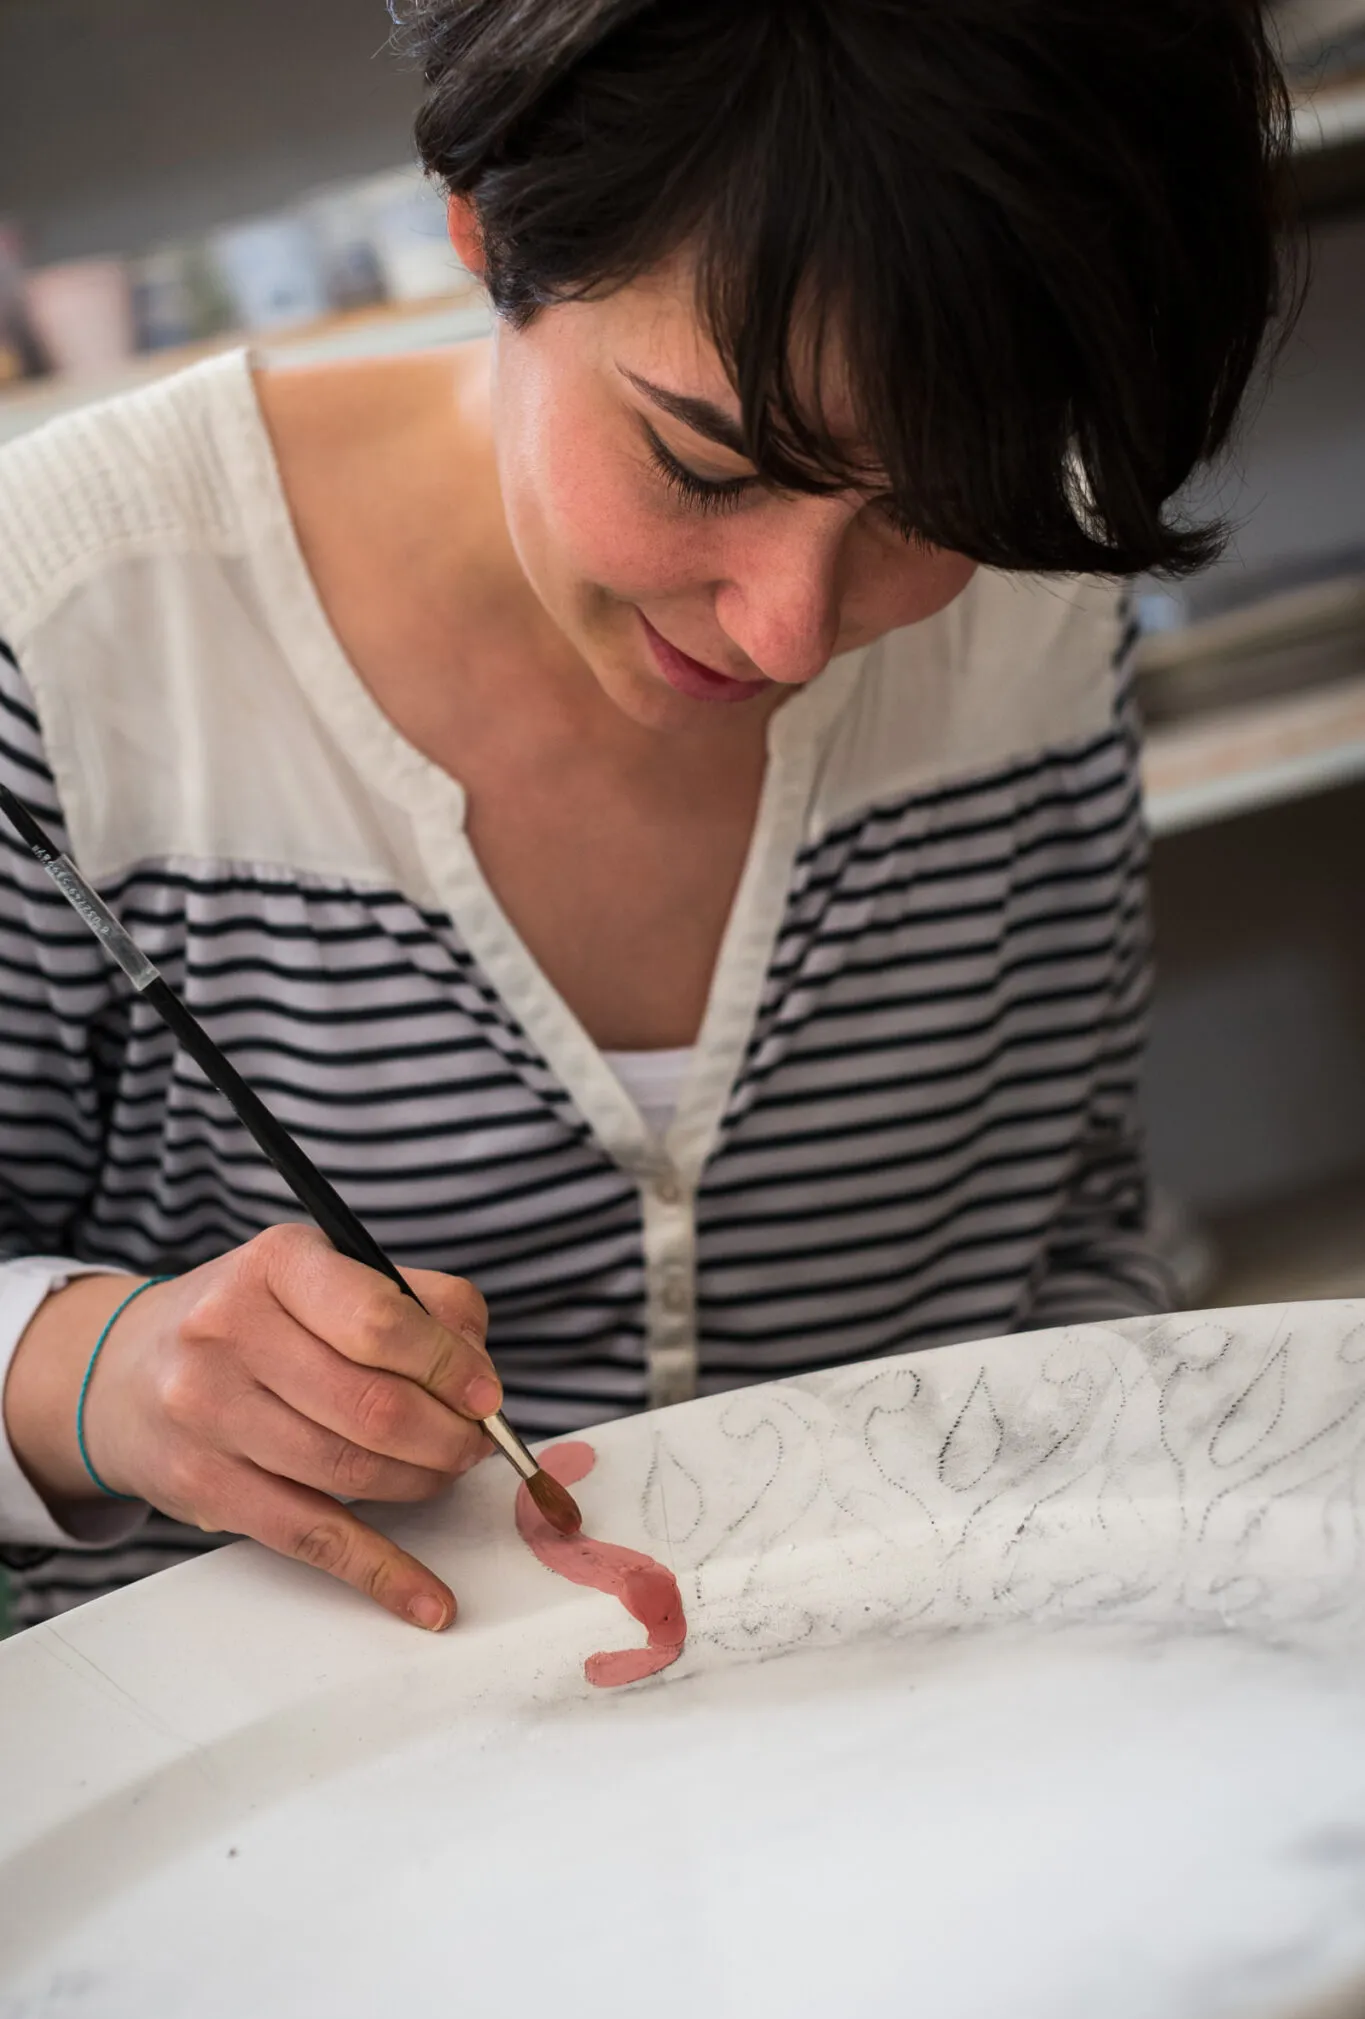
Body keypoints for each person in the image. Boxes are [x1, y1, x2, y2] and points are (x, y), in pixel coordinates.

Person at [0, 0, 1291, 1633]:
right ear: (484, 225)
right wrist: (90, 1369)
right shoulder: (64, 632)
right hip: (288, 1814)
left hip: (933, 1756)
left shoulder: (1037, 600)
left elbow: (1076, 1232)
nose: (791, 633)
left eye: (931, 508)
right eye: (710, 466)